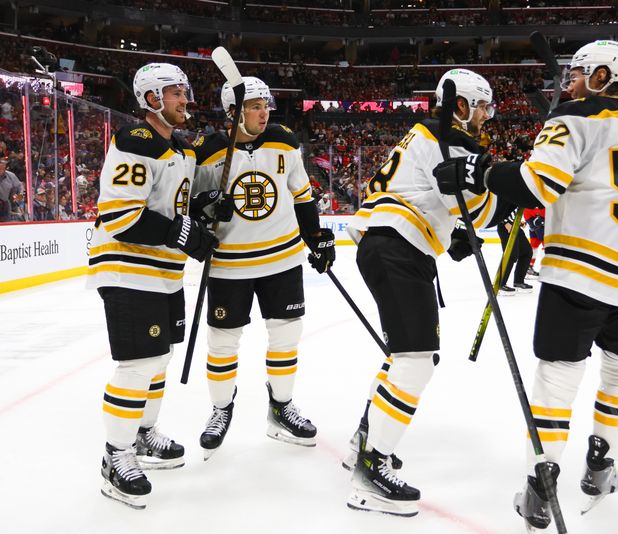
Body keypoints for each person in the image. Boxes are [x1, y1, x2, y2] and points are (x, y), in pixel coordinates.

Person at [434, 40, 618, 530]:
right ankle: (601, 469)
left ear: (603, 76)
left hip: (583, 271)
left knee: (557, 379)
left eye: (578, 73)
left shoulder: (573, 118)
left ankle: (539, 486)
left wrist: (478, 170)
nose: (567, 81)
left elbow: (535, 185)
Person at [344, 68, 509, 517]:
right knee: (416, 360)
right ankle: (370, 470)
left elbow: (438, 201)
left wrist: (454, 235)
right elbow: (475, 205)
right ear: (459, 105)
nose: (485, 117)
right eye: (481, 107)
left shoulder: (429, 135)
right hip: (396, 247)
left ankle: (365, 440)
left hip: (391, 243)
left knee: (404, 357)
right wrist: (512, 195)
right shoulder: (449, 138)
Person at [87, 63, 218, 509]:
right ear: (150, 100)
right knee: (138, 364)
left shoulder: (179, 151)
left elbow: (181, 203)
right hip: (128, 267)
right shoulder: (135, 142)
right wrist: (184, 233)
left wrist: (202, 210)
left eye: (185, 91)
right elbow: (122, 216)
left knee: (158, 359)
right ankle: (115, 455)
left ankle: (142, 435)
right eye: (175, 92)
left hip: (163, 272)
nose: (186, 99)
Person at [192, 77, 335, 459]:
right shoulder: (208, 151)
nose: (263, 111)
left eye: (265, 104)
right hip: (228, 264)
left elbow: (301, 195)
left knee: (286, 335)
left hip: (282, 258)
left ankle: (281, 407)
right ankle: (221, 409)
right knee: (222, 343)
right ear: (233, 112)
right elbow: (189, 204)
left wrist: (317, 237)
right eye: (254, 105)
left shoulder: (284, 141)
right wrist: (208, 203)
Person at [496, 209, 534, 295]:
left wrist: (518, 222)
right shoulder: (506, 195)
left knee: (527, 252)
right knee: (510, 255)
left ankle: (518, 282)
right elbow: (498, 211)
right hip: (505, 227)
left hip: (515, 226)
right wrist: (505, 223)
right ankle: (499, 285)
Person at [523, 207, 546, 279]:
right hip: (539, 225)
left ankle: (528, 267)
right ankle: (545, 268)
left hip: (535, 224)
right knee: (545, 246)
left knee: (534, 246)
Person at [0, 158, 22, 222]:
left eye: (2, 168)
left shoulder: (11, 175)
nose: (0, 170)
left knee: (6, 223)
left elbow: (20, 186)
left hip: (5, 204)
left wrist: (20, 194)